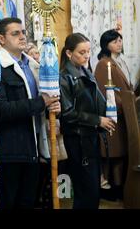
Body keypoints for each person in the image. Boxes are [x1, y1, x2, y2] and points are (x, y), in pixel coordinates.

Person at [0, 18, 60, 209]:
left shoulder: (32, 65)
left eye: (23, 32)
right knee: (8, 203)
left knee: (28, 203)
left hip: (34, 147)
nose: (22, 37)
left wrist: (52, 106)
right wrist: (41, 102)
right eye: (15, 33)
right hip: (8, 149)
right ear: (1, 39)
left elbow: (42, 100)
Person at [60, 33, 115, 209]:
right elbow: (67, 112)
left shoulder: (85, 71)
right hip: (77, 139)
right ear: (69, 53)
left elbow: (97, 101)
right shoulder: (64, 76)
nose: (86, 56)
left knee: (92, 191)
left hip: (89, 136)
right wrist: (98, 120)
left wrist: (110, 109)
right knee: (86, 191)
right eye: (81, 52)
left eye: (88, 51)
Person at [94, 29, 132, 199]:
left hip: (124, 114)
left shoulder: (118, 61)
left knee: (120, 152)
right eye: (115, 41)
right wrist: (124, 104)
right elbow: (105, 91)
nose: (119, 43)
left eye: (120, 40)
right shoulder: (104, 63)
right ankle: (110, 188)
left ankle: (119, 186)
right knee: (114, 152)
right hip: (113, 115)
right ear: (106, 44)